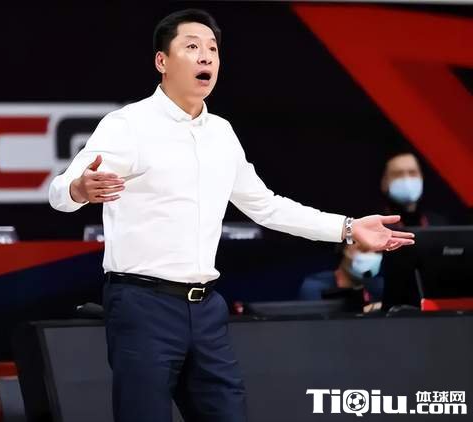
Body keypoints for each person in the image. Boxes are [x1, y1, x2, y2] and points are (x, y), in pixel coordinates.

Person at [49, 9, 414, 422]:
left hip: (206, 308)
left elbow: (266, 206)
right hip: (142, 305)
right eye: (191, 47)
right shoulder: (128, 124)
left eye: (213, 49)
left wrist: (347, 228)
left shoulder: (221, 133)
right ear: (162, 61)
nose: (206, 56)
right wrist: (79, 189)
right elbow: (59, 191)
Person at [298, 243, 384, 304]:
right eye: (364, 250)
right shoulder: (314, 287)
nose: (371, 256)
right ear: (346, 249)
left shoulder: (380, 287)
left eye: (377, 252)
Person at [381, 151, 448, 227]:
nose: (406, 179)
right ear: (384, 182)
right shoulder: (375, 225)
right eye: (398, 174)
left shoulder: (438, 224)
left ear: (421, 178)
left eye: (412, 172)